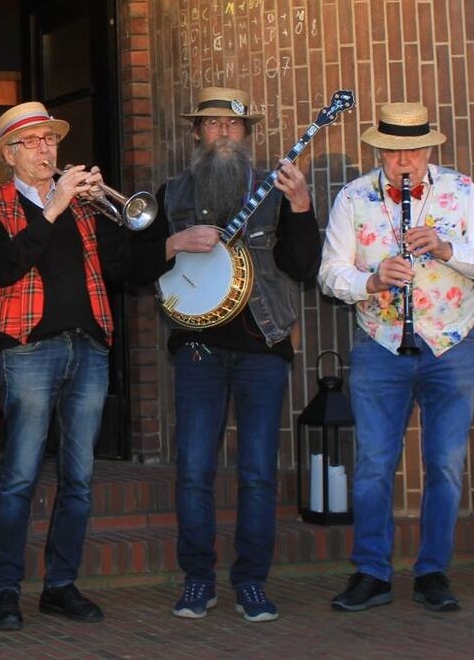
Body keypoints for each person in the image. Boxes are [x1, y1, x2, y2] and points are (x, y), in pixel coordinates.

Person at [0, 101, 166, 633]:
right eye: (33, 141)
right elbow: (2, 268)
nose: (46, 149)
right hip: (28, 350)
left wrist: (107, 212)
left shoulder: (85, 206)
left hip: (88, 348)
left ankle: (61, 586)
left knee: (79, 478)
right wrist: (54, 207)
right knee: (18, 478)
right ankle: (5, 592)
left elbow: (124, 270)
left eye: (50, 140)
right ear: (10, 154)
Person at [318, 101, 474, 614]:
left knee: (445, 464)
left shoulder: (461, 191)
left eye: (415, 150)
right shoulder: (354, 198)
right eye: (395, 151)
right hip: (381, 345)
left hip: (452, 343)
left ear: (429, 148)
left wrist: (449, 250)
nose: (406, 161)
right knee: (375, 464)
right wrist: (373, 280)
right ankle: (372, 573)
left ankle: (432, 572)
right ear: (379, 150)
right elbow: (331, 275)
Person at [157, 86, 322, 624]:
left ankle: (251, 581)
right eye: (211, 125)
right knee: (194, 469)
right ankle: (197, 580)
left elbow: (303, 266)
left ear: (247, 134)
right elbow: (138, 268)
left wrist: (301, 207)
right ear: (197, 134)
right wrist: (173, 243)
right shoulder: (172, 195)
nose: (222, 133)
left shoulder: (275, 192)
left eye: (232, 125)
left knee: (256, 471)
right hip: (200, 348)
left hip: (262, 346)